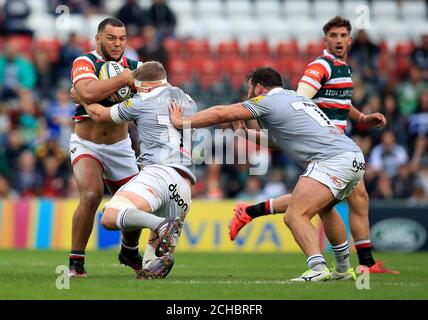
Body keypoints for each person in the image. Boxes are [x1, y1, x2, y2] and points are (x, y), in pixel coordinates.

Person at [228, 16, 399, 274]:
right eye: (334, 36)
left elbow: (342, 103)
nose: (339, 40)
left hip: (337, 145)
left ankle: (251, 211)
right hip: (324, 146)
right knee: (336, 201)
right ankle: (363, 264)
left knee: (330, 203)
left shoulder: (344, 68)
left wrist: (361, 117)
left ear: (350, 40)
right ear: (325, 40)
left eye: (343, 36)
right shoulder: (320, 66)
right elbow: (300, 101)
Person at [170, 66, 364, 282]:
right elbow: (278, 142)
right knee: (326, 209)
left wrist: (182, 123)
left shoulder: (267, 101)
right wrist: (244, 133)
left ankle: (317, 267)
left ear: (258, 87)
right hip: (353, 156)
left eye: (249, 88)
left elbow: (220, 113)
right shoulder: (295, 98)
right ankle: (343, 269)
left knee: (295, 215)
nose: (248, 93)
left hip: (332, 160)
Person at [79, 61, 197, 279]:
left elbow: (99, 115)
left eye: (138, 87)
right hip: (184, 188)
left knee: (108, 217)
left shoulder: (141, 100)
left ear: (146, 86)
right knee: (150, 268)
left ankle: (161, 224)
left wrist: (83, 99)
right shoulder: (187, 99)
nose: (135, 90)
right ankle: (157, 248)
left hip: (159, 173)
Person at [68, 17, 142, 277]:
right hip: (86, 144)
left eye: (122, 38)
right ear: (98, 39)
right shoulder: (85, 62)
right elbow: (87, 93)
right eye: (111, 38)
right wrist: (125, 80)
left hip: (120, 147)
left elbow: (157, 91)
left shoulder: (135, 65)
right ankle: (76, 263)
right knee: (90, 195)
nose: (117, 43)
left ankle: (128, 251)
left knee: (134, 204)